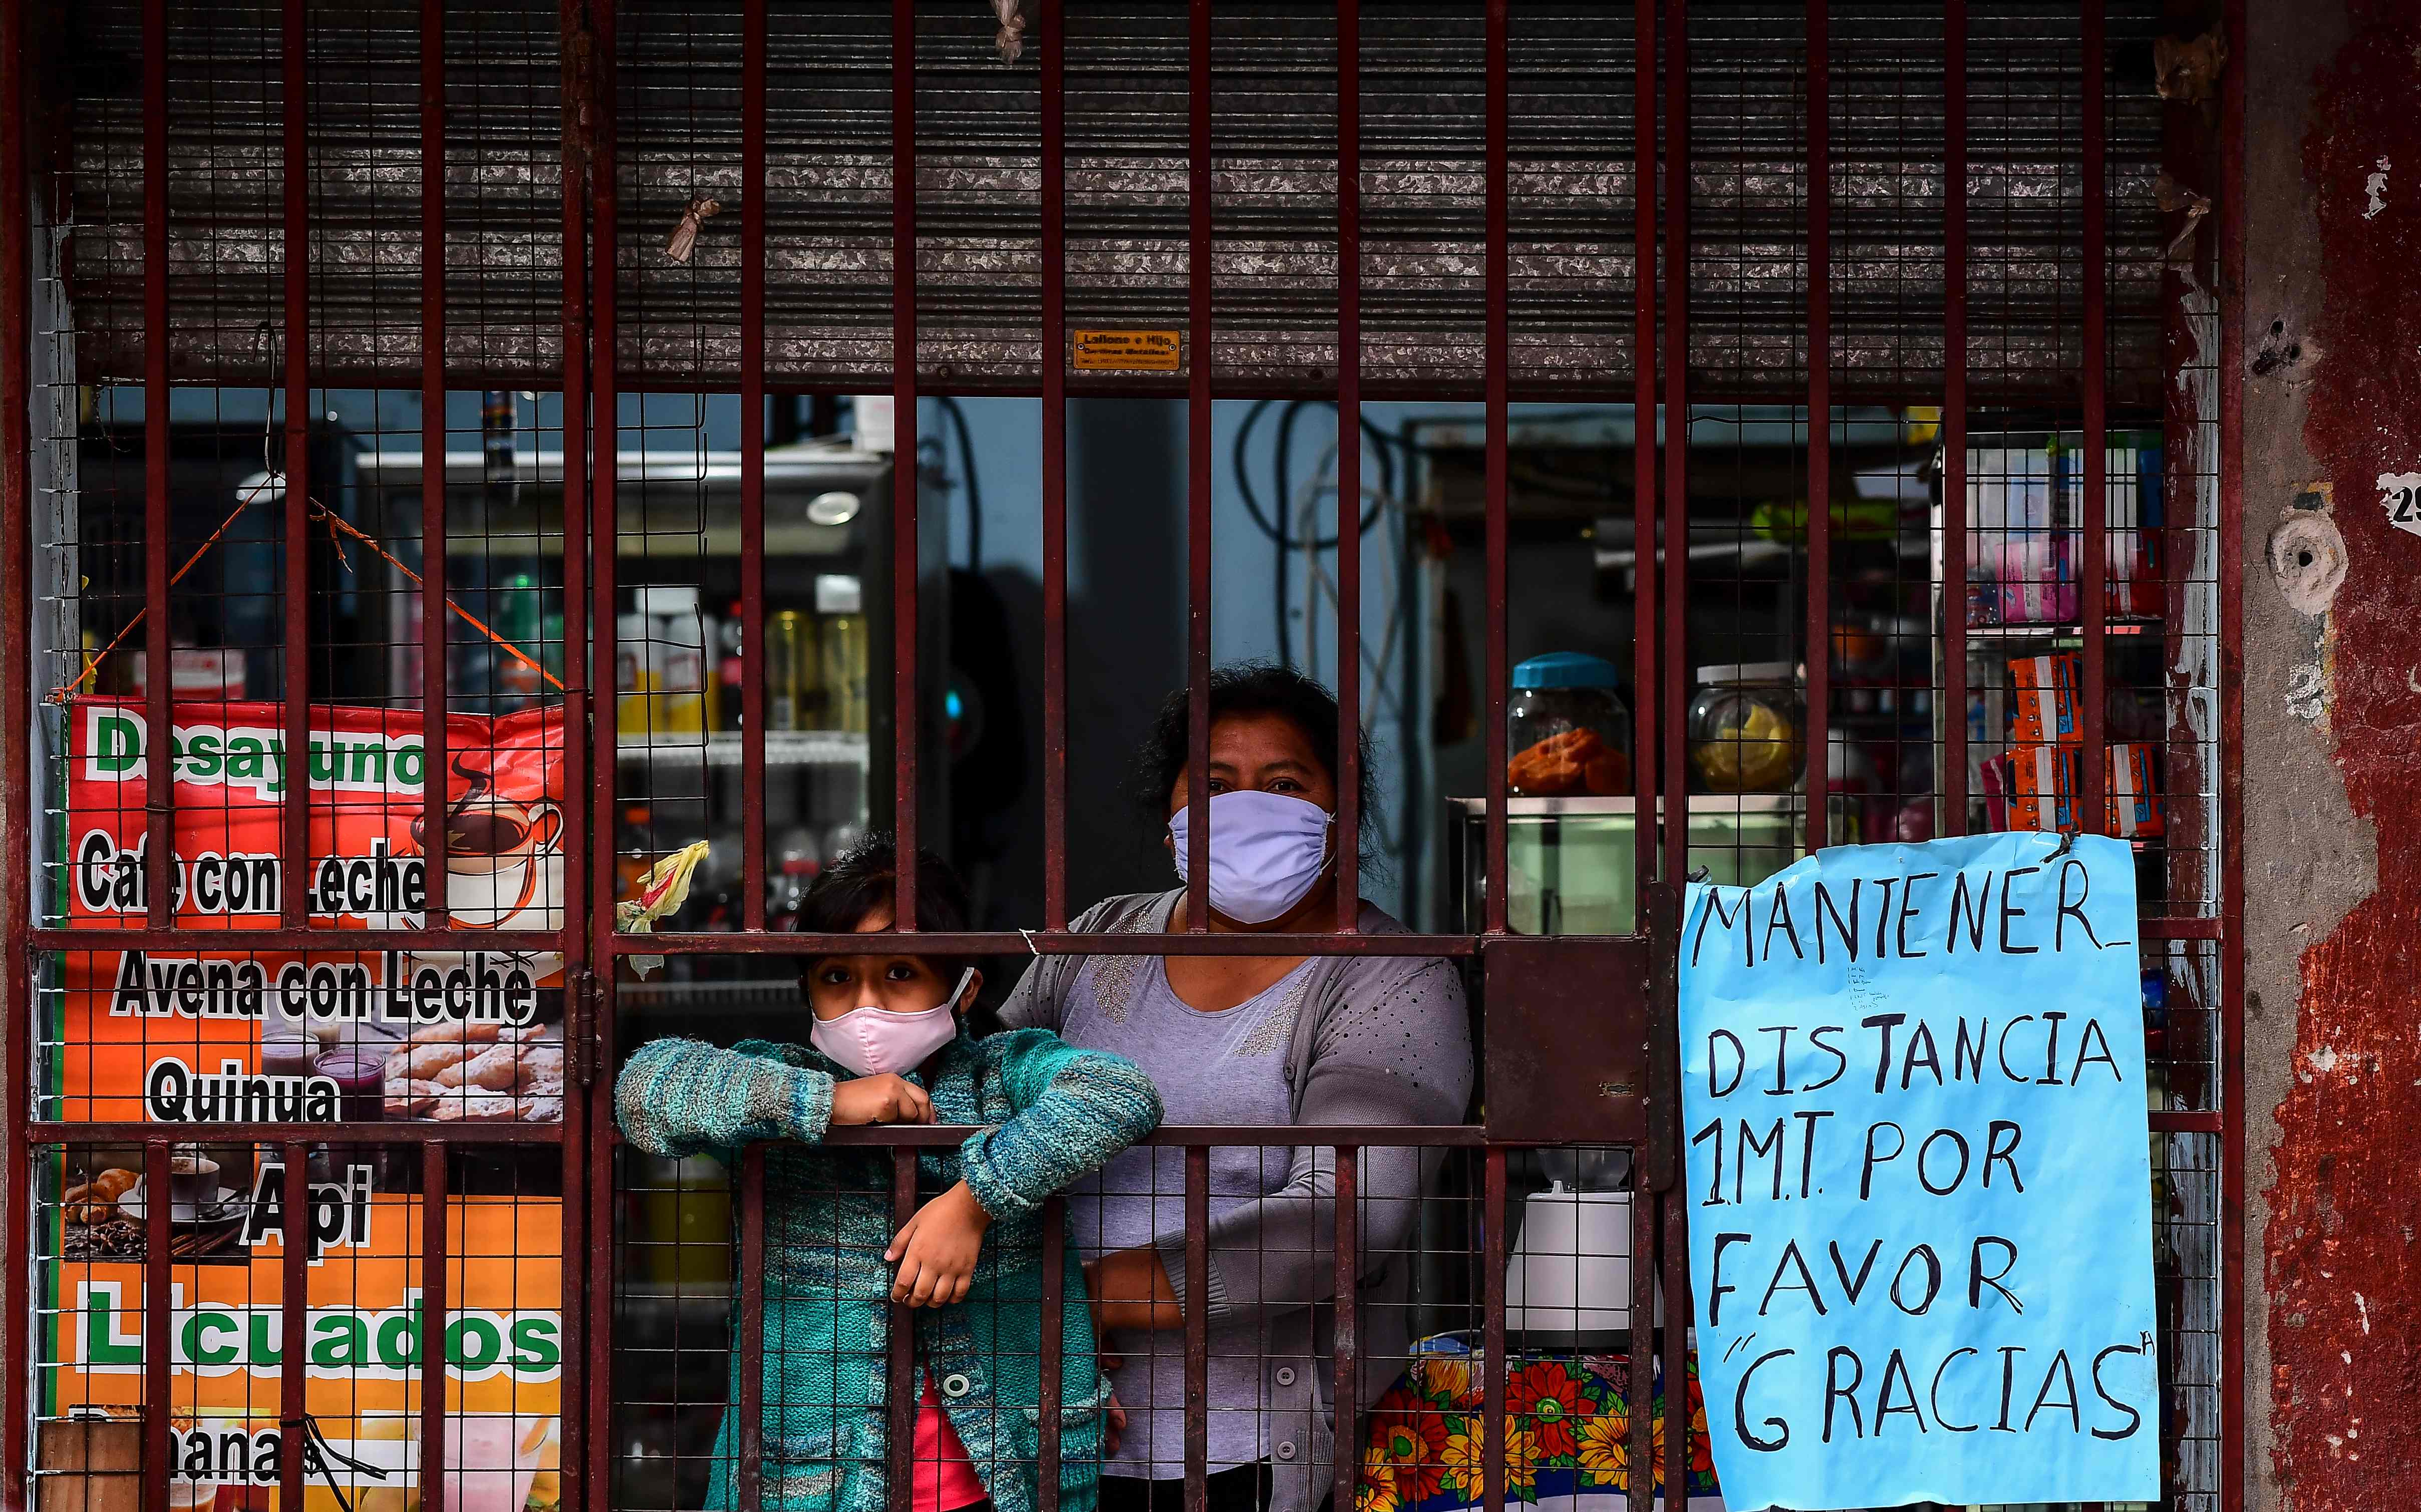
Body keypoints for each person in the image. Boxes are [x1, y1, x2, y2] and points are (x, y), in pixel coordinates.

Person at [998, 663, 1476, 1512]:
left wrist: (1072, 1304)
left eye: (1283, 784)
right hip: (1035, 1440)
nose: (1244, 809)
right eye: (1215, 785)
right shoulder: (1102, 938)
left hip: (1249, 1457)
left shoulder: (1391, 979)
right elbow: (973, 1113)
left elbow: (1342, 1218)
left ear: (1341, 813)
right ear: (1172, 812)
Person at [617, 840, 1164, 1512]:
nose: (865, 1005)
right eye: (837, 976)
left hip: (1007, 1479)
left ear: (963, 987)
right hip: (812, 1488)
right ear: (807, 987)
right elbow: (646, 1089)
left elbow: (1118, 1092)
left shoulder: (1005, 1075)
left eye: (901, 973)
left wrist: (973, 1204)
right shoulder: (785, 1084)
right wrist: (825, 1103)